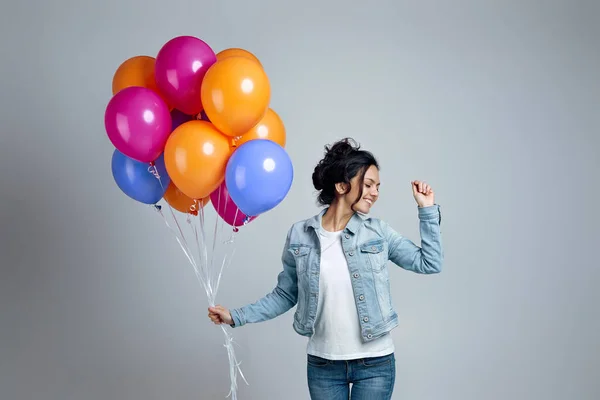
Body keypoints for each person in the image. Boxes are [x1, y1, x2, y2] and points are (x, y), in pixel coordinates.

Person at [208, 138, 443, 399]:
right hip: (324, 365)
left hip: (375, 363)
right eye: (368, 185)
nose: (375, 193)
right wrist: (236, 316)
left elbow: (429, 262)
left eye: (377, 186)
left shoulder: (378, 232)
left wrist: (427, 209)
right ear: (342, 186)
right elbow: (285, 295)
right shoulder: (300, 234)